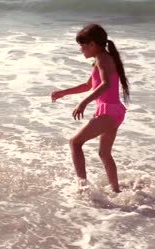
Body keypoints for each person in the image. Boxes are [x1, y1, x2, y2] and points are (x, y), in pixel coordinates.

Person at [51, 24, 130, 193]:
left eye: (82, 45)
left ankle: (82, 187)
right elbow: (88, 85)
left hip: (107, 111)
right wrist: (63, 93)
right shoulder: (102, 58)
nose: (81, 49)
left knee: (75, 142)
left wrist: (83, 103)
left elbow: (105, 84)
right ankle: (116, 191)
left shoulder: (102, 58)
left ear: (93, 44)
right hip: (115, 112)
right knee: (104, 153)